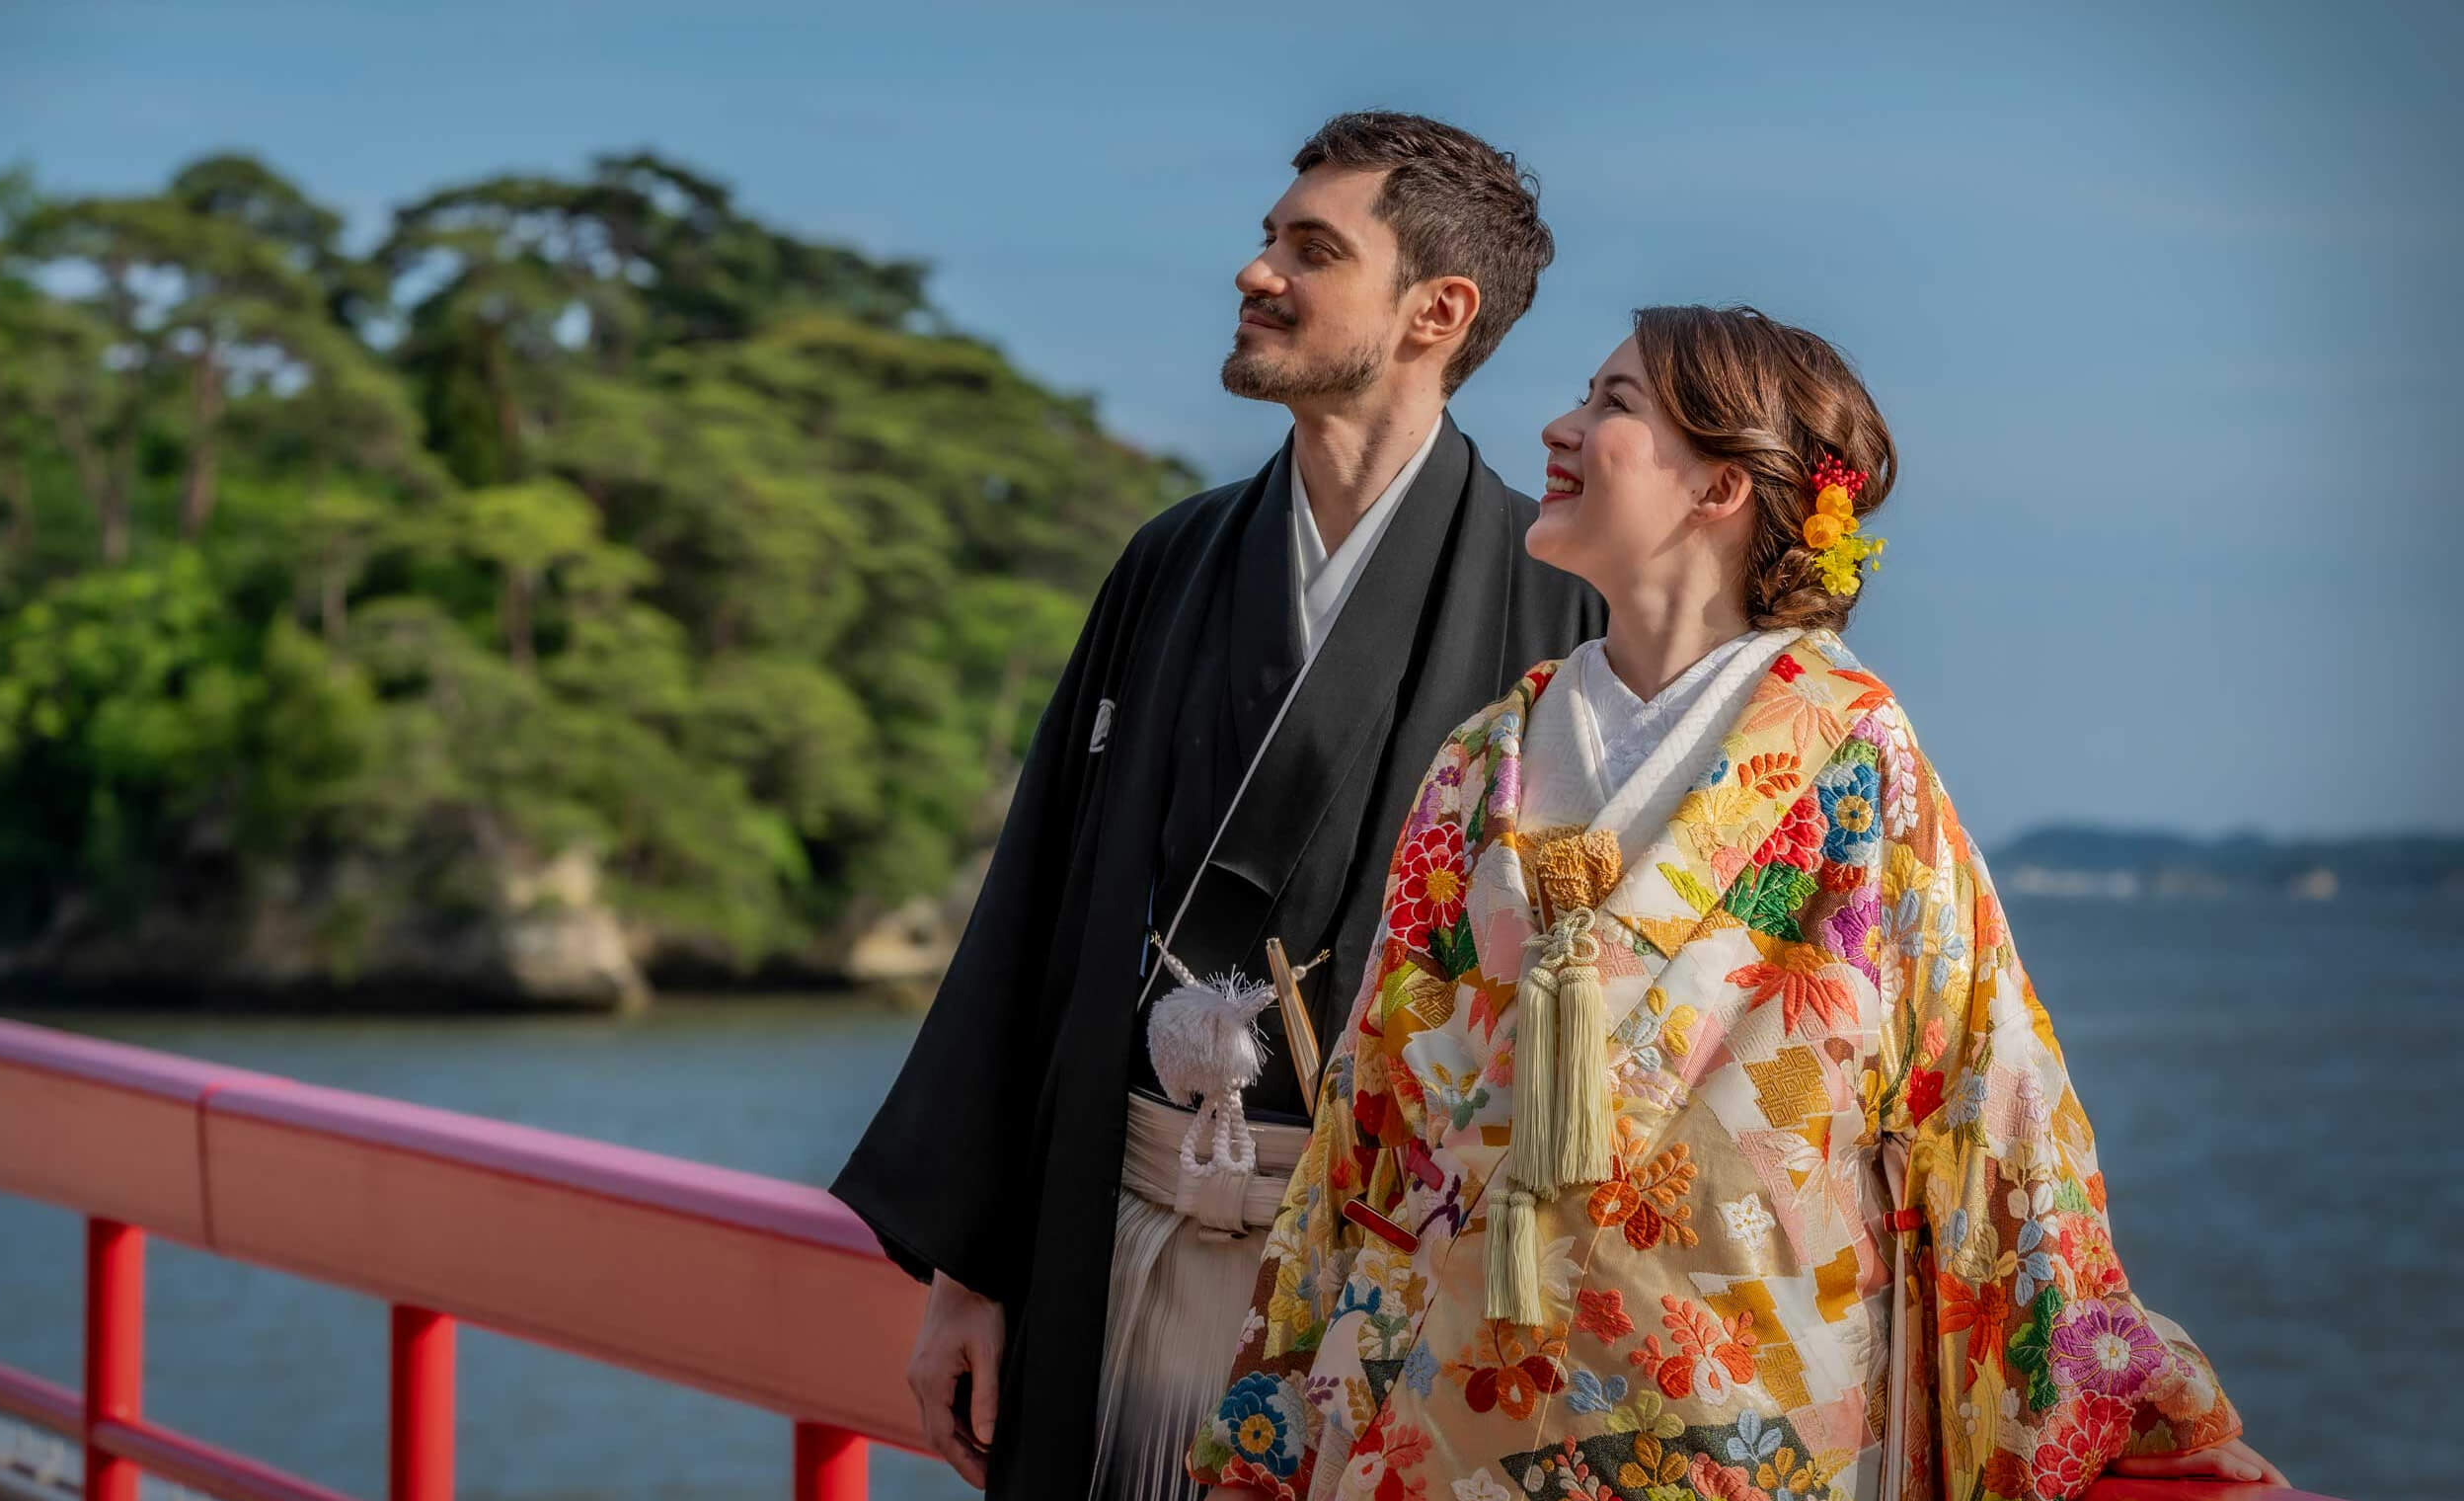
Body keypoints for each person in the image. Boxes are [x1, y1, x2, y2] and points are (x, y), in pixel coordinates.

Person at [1191, 306, 2282, 1500]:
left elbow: (1984, 1090)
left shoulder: (1853, 753)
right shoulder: (1484, 758)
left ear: (1721, 483)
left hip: (1736, 1411)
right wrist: (1286, 1392)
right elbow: (1371, 1103)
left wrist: (2117, 1383)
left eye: (1613, 404)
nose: (1557, 427)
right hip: (1446, 1381)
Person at [831, 114, 1605, 1499]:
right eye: (1266, 240)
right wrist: (968, 1271)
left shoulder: (1560, 610)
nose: (1256, 274)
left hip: (1394, 1275)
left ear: (1438, 311)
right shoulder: (1173, 562)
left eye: (1312, 251)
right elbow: (1036, 907)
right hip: (1120, 1224)